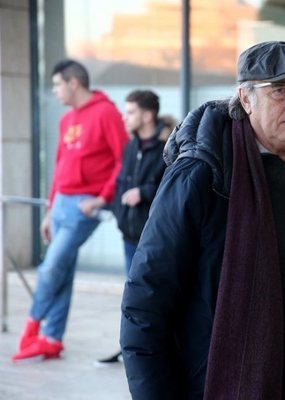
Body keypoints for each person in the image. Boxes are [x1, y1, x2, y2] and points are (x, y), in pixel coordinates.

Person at [119, 41, 285, 399]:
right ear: (245, 99)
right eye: (279, 90)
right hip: (216, 382)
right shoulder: (204, 174)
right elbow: (145, 300)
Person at [12, 59, 129, 362]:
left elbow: (123, 161)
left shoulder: (106, 113)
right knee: (61, 271)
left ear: (73, 83)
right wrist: (50, 211)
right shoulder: (66, 120)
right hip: (61, 202)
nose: (55, 91)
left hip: (83, 205)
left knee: (50, 267)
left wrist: (102, 199)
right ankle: (52, 338)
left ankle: (32, 324)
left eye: (57, 85)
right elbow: (59, 166)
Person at [96, 90, 175, 365]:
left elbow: (174, 189)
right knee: (133, 297)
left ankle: (154, 350)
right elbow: (120, 183)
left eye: (129, 111)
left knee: (152, 298)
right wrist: (119, 213)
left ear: (147, 115)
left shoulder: (168, 147)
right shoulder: (131, 147)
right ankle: (131, 348)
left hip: (154, 238)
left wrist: (143, 191)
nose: (124, 116)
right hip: (130, 235)